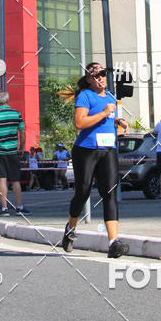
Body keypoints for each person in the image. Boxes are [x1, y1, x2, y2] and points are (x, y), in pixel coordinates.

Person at [61, 62, 130, 259]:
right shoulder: (85, 96)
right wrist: (103, 113)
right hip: (86, 150)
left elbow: (110, 118)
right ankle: (70, 229)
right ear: (90, 79)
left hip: (108, 149)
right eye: (97, 76)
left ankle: (113, 243)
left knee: (110, 193)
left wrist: (118, 121)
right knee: (82, 193)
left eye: (103, 75)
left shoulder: (110, 97)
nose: (101, 78)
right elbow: (79, 122)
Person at [0, 90, 29, 216]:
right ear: (7, 100)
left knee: (2, 180)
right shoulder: (16, 114)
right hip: (12, 151)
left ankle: (4, 209)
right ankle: (19, 206)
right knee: (15, 180)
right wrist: (21, 148)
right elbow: (23, 131)